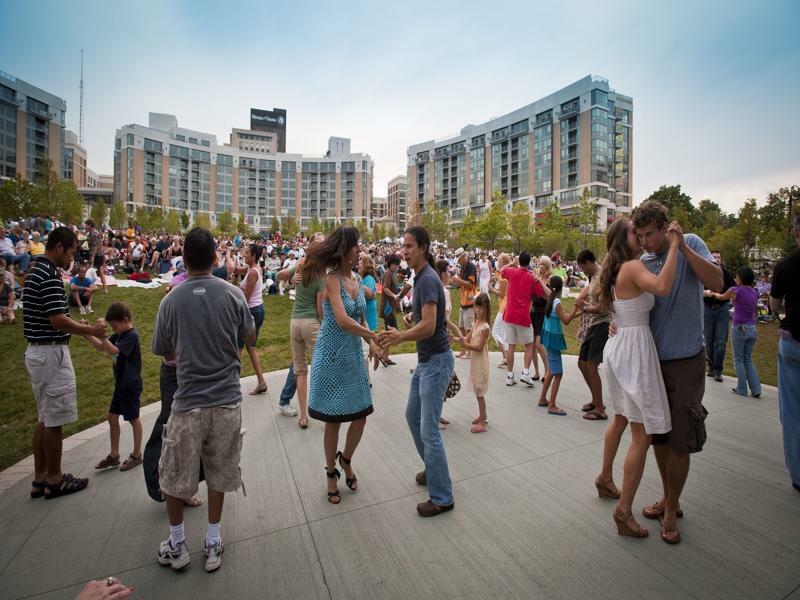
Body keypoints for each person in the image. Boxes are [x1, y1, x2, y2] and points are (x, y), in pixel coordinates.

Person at [151, 227, 255, 573]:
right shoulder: (233, 294)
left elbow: (163, 350)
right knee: (219, 472)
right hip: (226, 400)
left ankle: (177, 543)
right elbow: (249, 333)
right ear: (214, 258)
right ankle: (212, 541)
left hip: (188, 403)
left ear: (184, 259)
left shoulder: (171, 300)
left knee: (174, 476)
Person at [635, 201, 722, 544]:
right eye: (639, 236)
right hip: (653, 361)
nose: (644, 242)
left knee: (681, 438)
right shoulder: (643, 262)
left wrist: (681, 246)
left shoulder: (692, 243)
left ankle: (671, 507)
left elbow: (716, 279)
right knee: (659, 435)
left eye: (650, 235)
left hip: (686, 359)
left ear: (664, 228)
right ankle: (670, 496)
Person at [595, 218, 681, 538]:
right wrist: (674, 247)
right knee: (641, 435)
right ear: (624, 239)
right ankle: (624, 511)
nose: (640, 236)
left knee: (620, 418)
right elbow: (662, 287)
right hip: (633, 351)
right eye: (635, 232)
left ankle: (605, 479)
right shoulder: (631, 267)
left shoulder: (614, 269)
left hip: (618, 347)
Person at [24, 227, 107, 500]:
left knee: (44, 416)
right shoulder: (47, 274)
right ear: (59, 247)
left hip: (39, 351)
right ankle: (56, 479)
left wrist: (75, 327)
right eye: (71, 251)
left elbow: (57, 318)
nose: (72, 257)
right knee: (54, 420)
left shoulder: (37, 270)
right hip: (50, 353)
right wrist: (91, 332)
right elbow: (57, 320)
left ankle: (41, 478)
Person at [380, 226, 455, 517]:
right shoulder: (421, 277)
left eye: (409, 246)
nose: (404, 251)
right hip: (427, 361)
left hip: (436, 362)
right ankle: (434, 468)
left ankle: (442, 496)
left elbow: (429, 324)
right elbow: (428, 322)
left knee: (429, 429)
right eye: (403, 246)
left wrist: (400, 336)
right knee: (413, 416)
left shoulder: (426, 279)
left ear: (423, 247)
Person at [304, 226, 379, 504]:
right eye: (356, 245)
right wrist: (372, 335)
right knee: (333, 421)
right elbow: (342, 320)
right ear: (344, 249)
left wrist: (370, 341)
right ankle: (330, 473)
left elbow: (358, 317)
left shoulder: (357, 278)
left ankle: (345, 459)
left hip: (353, 357)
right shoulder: (331, 280)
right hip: (331, 357)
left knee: (361, 414)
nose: (360, 249)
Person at [83, 302, 144, 472]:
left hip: (130, 385)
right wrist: (88, 333)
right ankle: (114, 454)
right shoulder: (119, 335)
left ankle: (137, 453)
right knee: (112, 417)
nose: (113, 329)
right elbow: (101, 347)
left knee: (133, 418)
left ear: (125, 320)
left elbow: (114, 351)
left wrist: (103, 335)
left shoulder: (131, 336)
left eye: (114, 326)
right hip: (121, 384)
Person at [278, 236, 326, 427]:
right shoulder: (321, 275)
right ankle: (323, 413)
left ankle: (304, 417)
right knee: (320, 369)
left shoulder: (299, 267)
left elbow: (279, 275)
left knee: (300, 371)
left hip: (294, 322)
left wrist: (291, 278)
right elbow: (320, 308)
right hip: (311, 323)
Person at [770, 212, 800, 493]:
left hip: (793, 342)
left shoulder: (786, 266)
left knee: (792, 410)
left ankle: (798, 474)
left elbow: (775, 305)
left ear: (796, 233)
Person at [711, 266, 761, 398]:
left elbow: (721, 297)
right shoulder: (755, 292)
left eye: (736, 276)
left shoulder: (735, 290)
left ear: (741, 278)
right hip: (752, 328)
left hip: (739, 327)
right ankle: (756, 389)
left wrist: (711, 293)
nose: (735, 278)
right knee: (748, 359)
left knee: (738, 359)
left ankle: (742, 388)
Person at [500, 251, 546, 387]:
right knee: (529, 345)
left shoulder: (511, 272)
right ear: (529, 262)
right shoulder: (531, 277)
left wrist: (511, 263)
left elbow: (501, 270)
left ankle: (509, 376)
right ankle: (526, 373)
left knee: (511, 346)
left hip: (509, 315)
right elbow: (539, 294)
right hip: (523, 316)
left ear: (519, 261)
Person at [575, 249, 611, 421]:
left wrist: (585, 308)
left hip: (603, 323)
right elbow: (595, 302)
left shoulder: (603, 276)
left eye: (583, 268)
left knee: (591, 365)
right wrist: (585, 304)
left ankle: (600, 409)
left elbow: (604, 307)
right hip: (593, 323)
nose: (583, 272)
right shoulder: (592, 277)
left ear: (589, 262)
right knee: (582, 363)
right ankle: (596, 400)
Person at [453, 293, 491, 433]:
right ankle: (483, 415)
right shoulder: (476, 324)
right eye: (476, 307)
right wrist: (456, 339)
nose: (478, 310)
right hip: (475, 362)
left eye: (480, 308)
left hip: (481, 362)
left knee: (480, 392)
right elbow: (466, 339)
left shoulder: (485, 327)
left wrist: (466, 346)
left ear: (486, 309)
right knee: (477, 390)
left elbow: (479, 347)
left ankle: (482, 422)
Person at [235, 244, 268, 395]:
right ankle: (261, 382)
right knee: (250, 347)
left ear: (254, 256)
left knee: (237, 348)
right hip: (256, 310)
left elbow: (245, 299)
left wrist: (236, 315)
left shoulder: (253, 272)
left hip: (252, 311)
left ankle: (230, 386)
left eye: (247, 253)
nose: (244, 254)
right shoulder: (250, 269)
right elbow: (234, 269)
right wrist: (227, 255)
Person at [703, 250, 736, 382]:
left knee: (721, 341)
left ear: (721, 260)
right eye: (714, 257)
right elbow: (696, 288)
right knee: (709, 341)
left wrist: (722, 296)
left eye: (718, 257)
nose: (716, 259)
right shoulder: (704, 272)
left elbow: (733, 289)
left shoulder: (725, 274)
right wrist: (705, 292)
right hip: (707, 309)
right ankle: (711, 367)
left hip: (722, 309)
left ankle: (718, 370)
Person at [452, 247, 477, 359]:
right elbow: (461, 284)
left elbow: (471, 284)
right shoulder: (462, 267)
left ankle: (470, 352)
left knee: (468, 329)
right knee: (461, 328)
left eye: (459, 259)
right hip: (463, 301)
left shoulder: (471, 267)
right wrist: (457, 282)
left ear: (464, 257)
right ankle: (463, 350)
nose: (458, 261)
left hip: (470, 302)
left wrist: (458, 281)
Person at [530, 256, 552, 380]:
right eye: (540, 264)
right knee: (532, 344)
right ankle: (537, 372)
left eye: (544, 264)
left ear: (548, 265)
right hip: (533, 312)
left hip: (543, 313)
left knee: (538, 344)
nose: (541, 266)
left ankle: (547, 370)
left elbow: (549, 296)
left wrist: (540, 283)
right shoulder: (536, 277)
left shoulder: (550, 279)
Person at [489, 253, 510, 368]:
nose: (498, 262)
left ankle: (505, 356)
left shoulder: (503, 276)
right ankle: (506, 357)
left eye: (500, 261)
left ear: (505, 263)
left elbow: (502, 294)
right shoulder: (507, 274)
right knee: (503, 332)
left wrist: (492, 289)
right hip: (507, 305)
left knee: (495, 331)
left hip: (504, 306)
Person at [360, 254, 379, 331]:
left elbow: (370, 294)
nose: (359, 264)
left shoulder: (368, 278)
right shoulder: (367, 278)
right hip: (367, 309)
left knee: (368, 334)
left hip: (368, 310)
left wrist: (356, 284)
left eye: (360, 261)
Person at [0, 258, 16, 324]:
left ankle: (12, 319)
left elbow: (11, 298)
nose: (2, 277)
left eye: (3, 275)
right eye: (0, 275)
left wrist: (9, 306)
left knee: (10, 312)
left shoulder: (7, 286)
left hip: (5, 307)